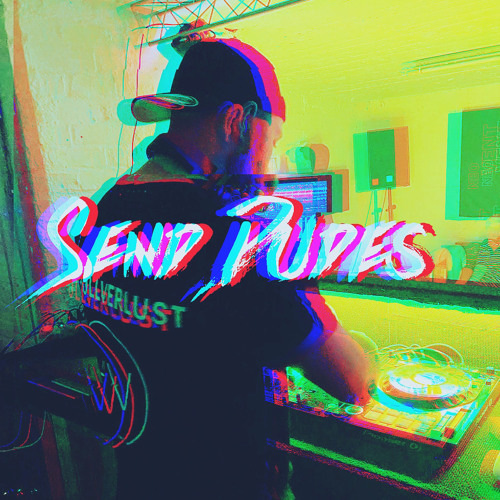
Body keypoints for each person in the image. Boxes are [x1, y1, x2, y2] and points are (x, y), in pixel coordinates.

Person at [3, 38, 375, 499]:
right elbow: (352, 381)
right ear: (236, 120)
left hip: (142, 476)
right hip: (224, 482)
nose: (270, 159)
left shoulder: (106, 208)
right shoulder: (239, 234)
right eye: (272, 138)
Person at [458, 216, 500, 286]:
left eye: (495, 227)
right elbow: (477, 267)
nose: (491, 230)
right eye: (489, 227)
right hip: (479, 284)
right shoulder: (484, 245)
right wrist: (467, 284)